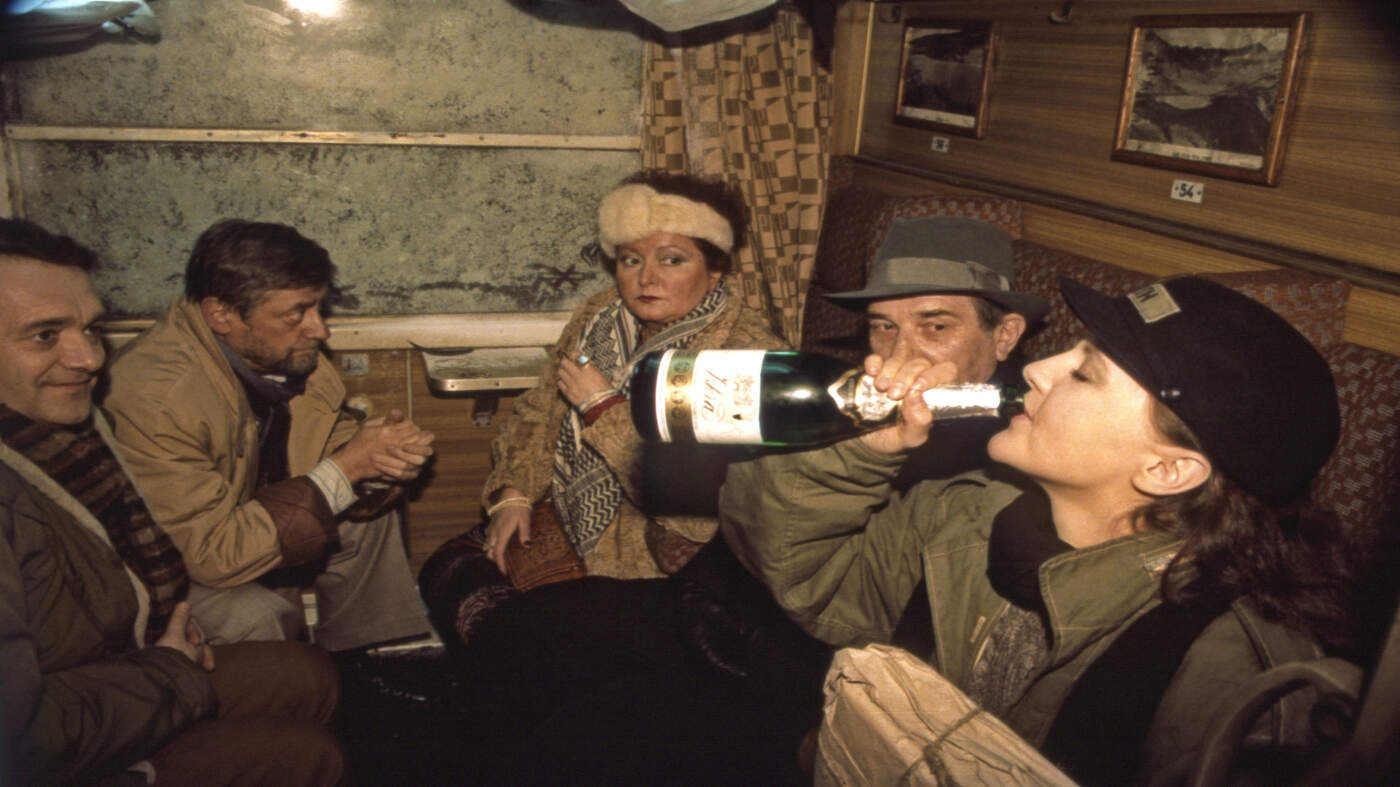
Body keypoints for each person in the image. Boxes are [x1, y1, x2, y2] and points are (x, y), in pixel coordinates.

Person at [442, 215, 1051, 785]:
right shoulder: (848, 393)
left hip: (794, 666)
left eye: (935, 327)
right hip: (715, 601)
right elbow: (739, 511)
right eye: (883, 326)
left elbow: (886, 626)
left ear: (1005, 335)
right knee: (526, 633)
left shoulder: (1013, 458)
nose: (897, 354)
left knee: (580, 740)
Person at [721, 274, 1375, 785]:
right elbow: (808, 577)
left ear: (1168, 469)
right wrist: (860, 450)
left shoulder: (1238, 681)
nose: (1037, 369)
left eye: (1083, 372)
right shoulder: (964, 514)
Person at [0, 218, 344, 786]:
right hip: (66, 734)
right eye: (44, 335)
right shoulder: (157, 393)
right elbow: (24, 738)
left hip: (118, 658)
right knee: (310, 754)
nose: (89, 359)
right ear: (220, 314)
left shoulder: (64, 429)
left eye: (91, 329)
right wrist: (166, 673)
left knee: (311, 674)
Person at [417, 170, 786, 646]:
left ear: (714, 270)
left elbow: (699, 507)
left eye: (672, 260)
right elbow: (539, 411)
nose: (646, 278)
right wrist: (513, 494)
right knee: (446, 572)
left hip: (663, 560)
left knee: (524, 634)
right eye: (631, 259)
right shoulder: (599, 316)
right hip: (567, 511)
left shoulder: (743, 356)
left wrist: (603, 407)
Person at [104, 219, 434, 652]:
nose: (320, 330)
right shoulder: (159, 400)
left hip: (241, 521)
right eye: (297, 313)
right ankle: (294, 679)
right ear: (221, 314)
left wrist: (379, 461)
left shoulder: (283, 354)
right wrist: (346, 467)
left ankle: (362, 660)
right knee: (252, 616)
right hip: (171, 567)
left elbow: (326, 436)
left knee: (366, 517)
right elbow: (210, 556)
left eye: (318, 309)